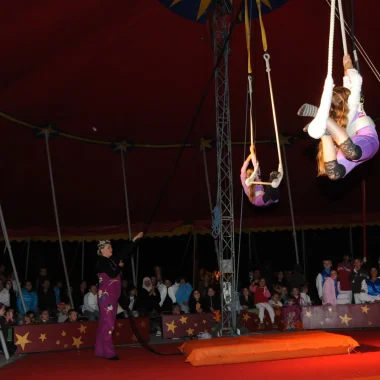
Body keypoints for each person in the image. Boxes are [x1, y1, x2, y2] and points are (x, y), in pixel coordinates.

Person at [299, 54, 379, 180]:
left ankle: (324, 129)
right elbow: (356, 81)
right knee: (349, 155)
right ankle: (322, 120)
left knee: (334, 173)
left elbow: (350, 83)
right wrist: (348, 66)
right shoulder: (352, 104)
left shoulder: (347, 109)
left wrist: (347, 67)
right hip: (367, 140)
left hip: (353, 145)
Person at [95, 233, 143, 361]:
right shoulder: (102, 262)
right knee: (108, 324)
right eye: (109, 247)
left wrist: (134, 240)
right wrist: (119, 267)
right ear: (102, 250)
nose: (111, 249)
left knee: (104, 323)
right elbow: (112, 273)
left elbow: (124, 253)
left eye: (111, 247)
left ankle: (101, 351)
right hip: (106, 297)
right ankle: (109, 352)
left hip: (113, 297)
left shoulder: (110, 260)